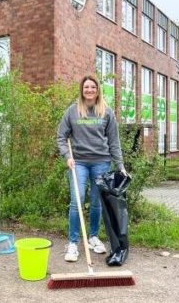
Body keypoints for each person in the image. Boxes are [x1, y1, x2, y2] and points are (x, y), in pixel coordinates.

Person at [57, 75, 127, 262]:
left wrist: (120, 166)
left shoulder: (106, 112)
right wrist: (67, 156)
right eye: (86, 87)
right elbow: (61, 137)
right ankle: (73, 242)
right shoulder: (72, 111)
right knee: (77, 199)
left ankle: (93, 237)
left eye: (92, 87)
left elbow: (114, 142)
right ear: (82, 90)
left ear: (97, 90)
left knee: (97, 202)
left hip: (101, 163)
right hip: (78, 162)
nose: (89, 90)